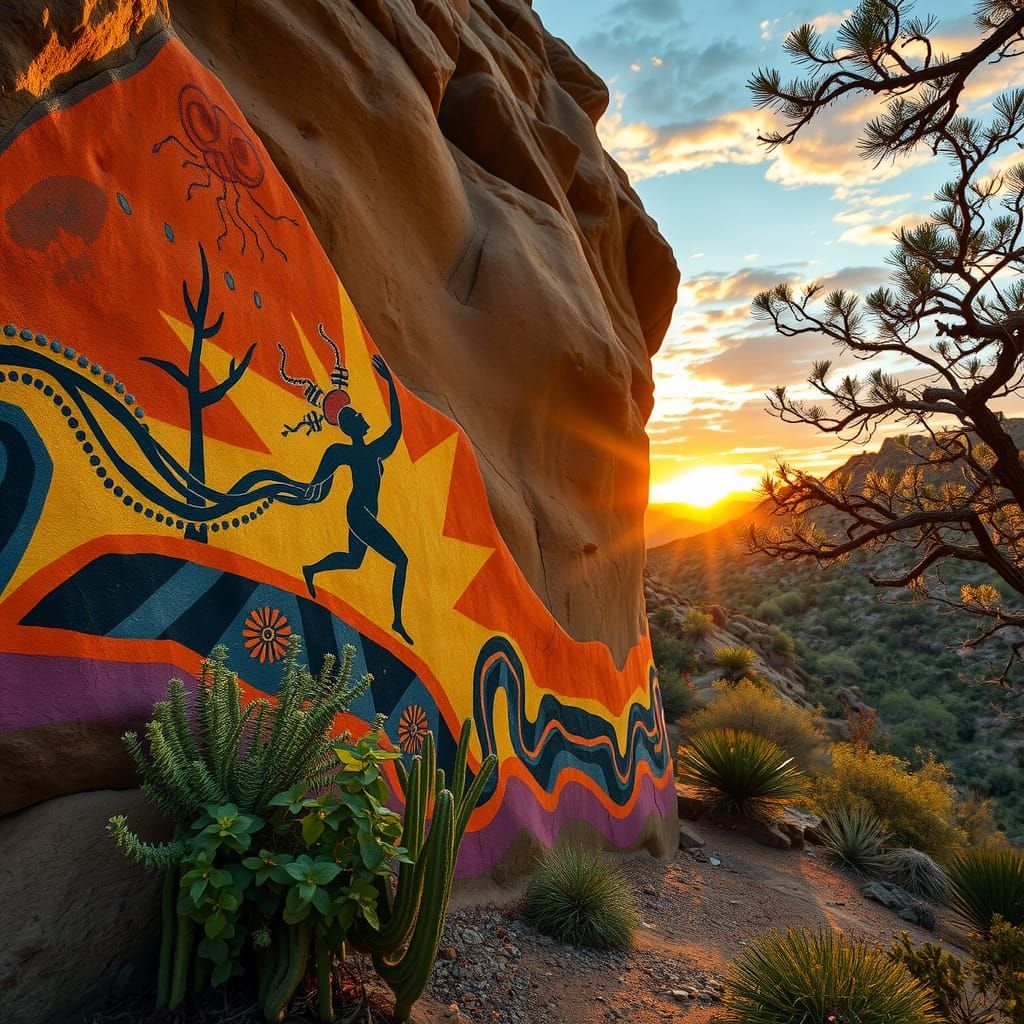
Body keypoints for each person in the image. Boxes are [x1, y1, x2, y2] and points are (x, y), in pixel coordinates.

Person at [301, 354, 412, 644]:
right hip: (360, 514)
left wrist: (390, 385)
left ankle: (311, 569)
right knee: (401, 560)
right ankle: (397, 621)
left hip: (363, 514)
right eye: (356, 416)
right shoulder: (358, 452)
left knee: (353, 561)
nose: (362, 416)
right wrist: (390, 384)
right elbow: (323, 471)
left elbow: (396, 431)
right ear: (351, 426)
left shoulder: (367, 451)